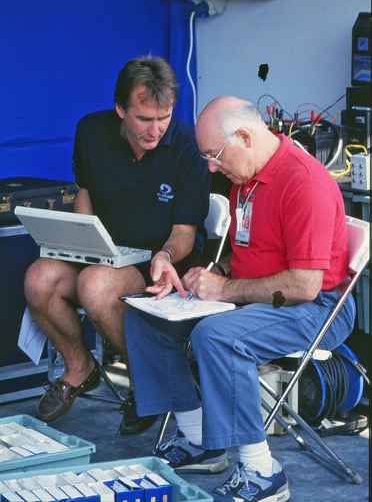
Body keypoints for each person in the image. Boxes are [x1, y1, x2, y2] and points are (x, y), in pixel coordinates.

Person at [125, 97, 356, 502]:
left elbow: (304, 286)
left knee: (218, 336)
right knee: (146, 316)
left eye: (215, 156)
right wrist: (213, 275)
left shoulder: (304, 181)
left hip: (317, 307)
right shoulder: (245, 179)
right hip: (266, 298)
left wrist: (225, 290)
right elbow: (255, 253)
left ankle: (263, 472)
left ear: (245, 137)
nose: (212, 168)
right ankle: (200, 442)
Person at [24, 55, 210, 435]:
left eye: (164, 117)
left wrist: (164, 255)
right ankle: (80, 367)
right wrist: (78, 239)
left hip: (158, 261)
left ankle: (147, 384)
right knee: (39, 278)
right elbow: (85, 193)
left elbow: (185, 233)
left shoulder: (187, 143)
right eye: (144, 119)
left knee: (95, 284)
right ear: (120, 108)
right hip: (104, 250)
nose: (155, 129)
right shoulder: (92, 130)